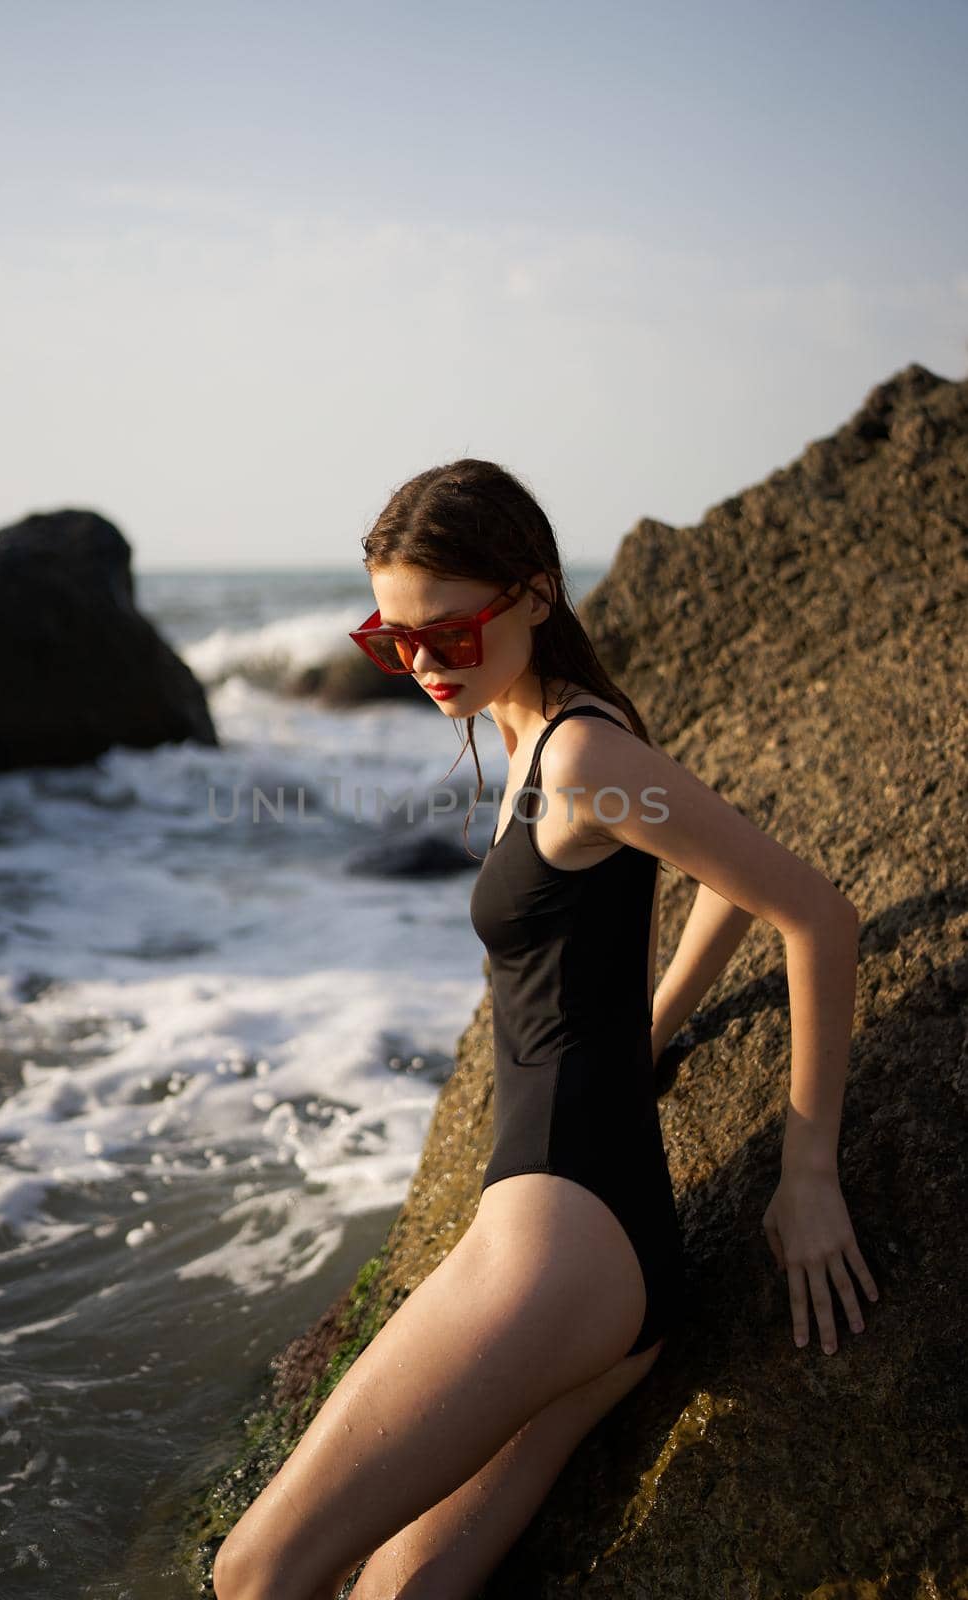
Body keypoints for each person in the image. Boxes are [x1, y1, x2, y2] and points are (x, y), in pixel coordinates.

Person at [213, 460, 878, 1600]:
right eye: (393, 640)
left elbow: (812, 912)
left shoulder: (579, 753)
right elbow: (718, 878)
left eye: (448, 634)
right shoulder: (546, 738)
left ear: (532, 595)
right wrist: (650, 1022)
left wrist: (803, 1169)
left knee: (256, 1569)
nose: (421, 664)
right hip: (584, 1254)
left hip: (560, 1251)